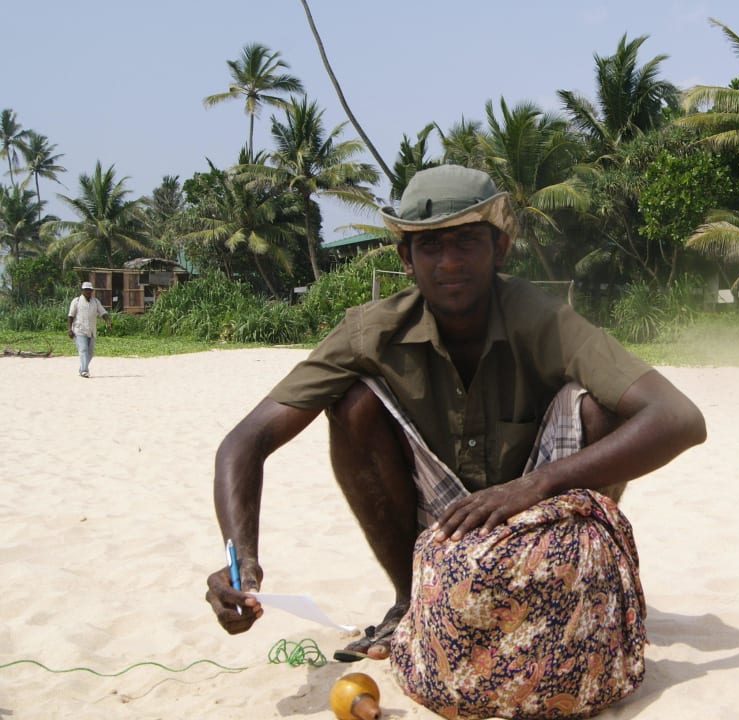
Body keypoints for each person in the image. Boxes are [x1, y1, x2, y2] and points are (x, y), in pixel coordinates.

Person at [205, 165, 706, 718]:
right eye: (430, 247)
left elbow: (678, 417)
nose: (448, 262)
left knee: (605, 409)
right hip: (441, 517)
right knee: (353, 404)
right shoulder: (370, 330)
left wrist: (535, 485)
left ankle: (577, 590)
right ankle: (408, 601)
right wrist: (241, 563)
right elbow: (245, 442)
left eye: (466, 241)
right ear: (406, 259)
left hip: (541, 510)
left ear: (499, 248)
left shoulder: (542, 318)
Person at [67, 281, 111, 378]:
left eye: (90, 290)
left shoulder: (95, 301)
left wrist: (107, 321)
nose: (88, 292)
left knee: (90, 353)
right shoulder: (76, 301)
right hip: (79, 330)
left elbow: (103, 312)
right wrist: (69, 329)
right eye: (86, 290)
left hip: (91, 330)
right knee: (83, 350)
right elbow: (70, 315)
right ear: (82, 290)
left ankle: (81, 368)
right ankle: (84, 371)